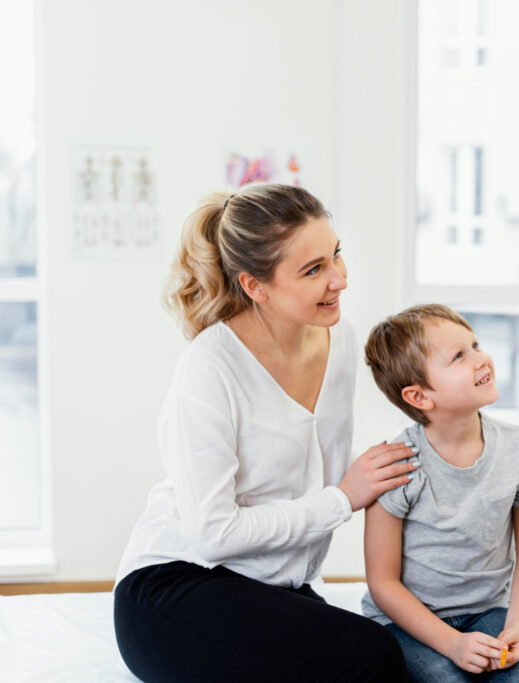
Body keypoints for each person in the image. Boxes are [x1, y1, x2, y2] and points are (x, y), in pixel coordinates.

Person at [113, 182, 418, 682]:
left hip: (271, 584)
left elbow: (315, 469)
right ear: (255, 286)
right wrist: (343, 498)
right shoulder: (210, 367)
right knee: (373, 656)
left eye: (335, 254)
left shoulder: (337, 342)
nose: (339, 279)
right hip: (177, 584)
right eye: (313, 270)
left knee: (389, 655)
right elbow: (213, 535)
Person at [361, 304, 519, 682]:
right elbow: (383, 583)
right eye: (460, 356)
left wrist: (517, 626)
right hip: (409, 622)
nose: (482, 359)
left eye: (476, 345)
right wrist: (451, 644)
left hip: (489, 612)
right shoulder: (395, 465)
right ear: (419, 397)